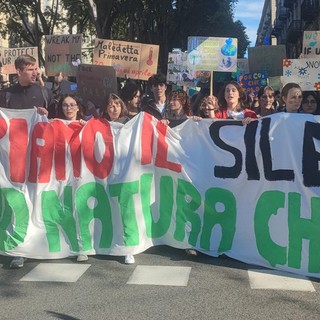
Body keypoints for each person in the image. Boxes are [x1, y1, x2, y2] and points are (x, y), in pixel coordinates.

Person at [0, 55, 56, 269]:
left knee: (37, 201)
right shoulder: (5, 96)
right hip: (12, 162)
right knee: (17, 203)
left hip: (36, 160)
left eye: (36, 69)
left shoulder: (43, 92)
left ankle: (37, 242)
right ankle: (19, 247)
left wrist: (45, 114)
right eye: (31, 69)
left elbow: (56, 121)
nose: (35, 72)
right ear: (19, 71)